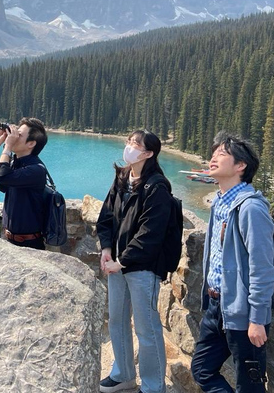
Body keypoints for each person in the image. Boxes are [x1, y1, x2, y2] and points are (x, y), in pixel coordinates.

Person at [191, 131, 274, 393]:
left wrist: (257, 319)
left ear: (241, 166)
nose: (213, 157)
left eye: (222, 154)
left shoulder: (250, 208)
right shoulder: (220, 203)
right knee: (202, 369)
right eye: (213, 152)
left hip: (244, 315)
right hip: (217, 307)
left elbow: (262, 269)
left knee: (249, 386)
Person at [96, 130, 178, 393]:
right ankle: (123, 374)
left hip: (142, 267)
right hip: (117, 263)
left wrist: (122, 262)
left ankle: (154, 387)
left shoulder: (157, 187)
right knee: (117, 320)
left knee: (146, 328)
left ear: (149, 153)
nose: (129, 147)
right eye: (129, 141)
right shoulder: (123, 177)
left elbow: (150, 233)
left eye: (135, 144)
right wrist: (107, 248)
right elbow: (107, 214)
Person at [0, 117, 48, 249]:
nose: (13, 136)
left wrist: (8, 146)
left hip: (29, 243)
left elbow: (1, 177)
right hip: (8, 238)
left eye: (18, 135)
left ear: (31, 143)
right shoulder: (13, 162)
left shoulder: (36, 170)